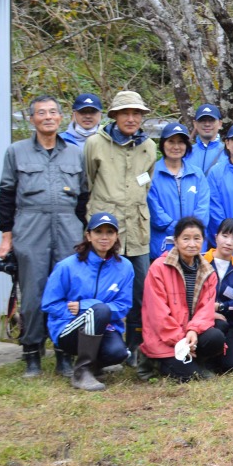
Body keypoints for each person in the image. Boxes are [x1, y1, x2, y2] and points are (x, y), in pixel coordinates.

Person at [0, 95, 89, 377]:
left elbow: (84, 197)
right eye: (41, 113)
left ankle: (63, 353)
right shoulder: (16, 152)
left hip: (68, 229)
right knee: (34, 294)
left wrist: (84, 233)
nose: (47, 117)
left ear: (62, 117)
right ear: (32, 119)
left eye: (52, 112)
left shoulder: (75, 153)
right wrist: (6, 237)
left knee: (68, 292)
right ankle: (32, 354)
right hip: (30, 227)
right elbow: (6, 196)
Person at [84, 90, 157, 354]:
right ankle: (97, 344)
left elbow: (145, 183)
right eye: (126, 113)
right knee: (100, 287)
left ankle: (135, 347)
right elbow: (88, 182)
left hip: (137, 231)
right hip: (106, 229)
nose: (131, 118)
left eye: (136, 113)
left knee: (140, 292)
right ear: (114, 116)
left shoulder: (149, 147)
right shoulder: (95, 143)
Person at [141, 216, 233, 380]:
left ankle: (197, 360)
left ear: (203, 240)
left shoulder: (207, 271)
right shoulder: (159, 268)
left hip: (190, 333)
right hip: (166, 337)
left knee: (216, 337)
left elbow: (205, 309)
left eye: (197, 238)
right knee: (191, 376)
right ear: (175, 240)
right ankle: (155, 362)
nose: (191, 244)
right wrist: (181, 340)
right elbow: (158, 315)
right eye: (186, 238)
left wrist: (193, 331)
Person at [41, 212, 133, 391]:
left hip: (104, 325)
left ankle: (93, 367)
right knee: (99, 310)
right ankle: (81, 372)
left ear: (116, 236)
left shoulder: (125, 267)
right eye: (98, 232)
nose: (104, 237)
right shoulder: (67, 266)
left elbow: (123, 306)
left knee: (119, 353)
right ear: (88, 236)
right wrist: (85, 312)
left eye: (109, 232)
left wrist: (86, 307)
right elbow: (49, 304)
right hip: (67, 329)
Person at [147, 122, 210, 260]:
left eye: (181, 142)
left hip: (194, 246)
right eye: (171, 141)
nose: (176, 147)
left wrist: (190, 234)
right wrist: (179, 230)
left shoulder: (197, 174)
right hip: (163, 246)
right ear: (163, 144)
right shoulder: (151, 174)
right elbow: (154, 211)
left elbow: (203, 208)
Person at [205, 218, 233, 353]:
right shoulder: (201, 261)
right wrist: (209, 312)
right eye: (225, 236)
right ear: (216, 237)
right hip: (200, 320)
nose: (229, 242)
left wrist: (221, 307)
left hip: (229, 323)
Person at [189, 104, 226, 175]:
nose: (207, 124)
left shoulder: (229, 154)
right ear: (195, 124)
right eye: (202, 120)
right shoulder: (186, 153)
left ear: (220, 124)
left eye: (211, 120)